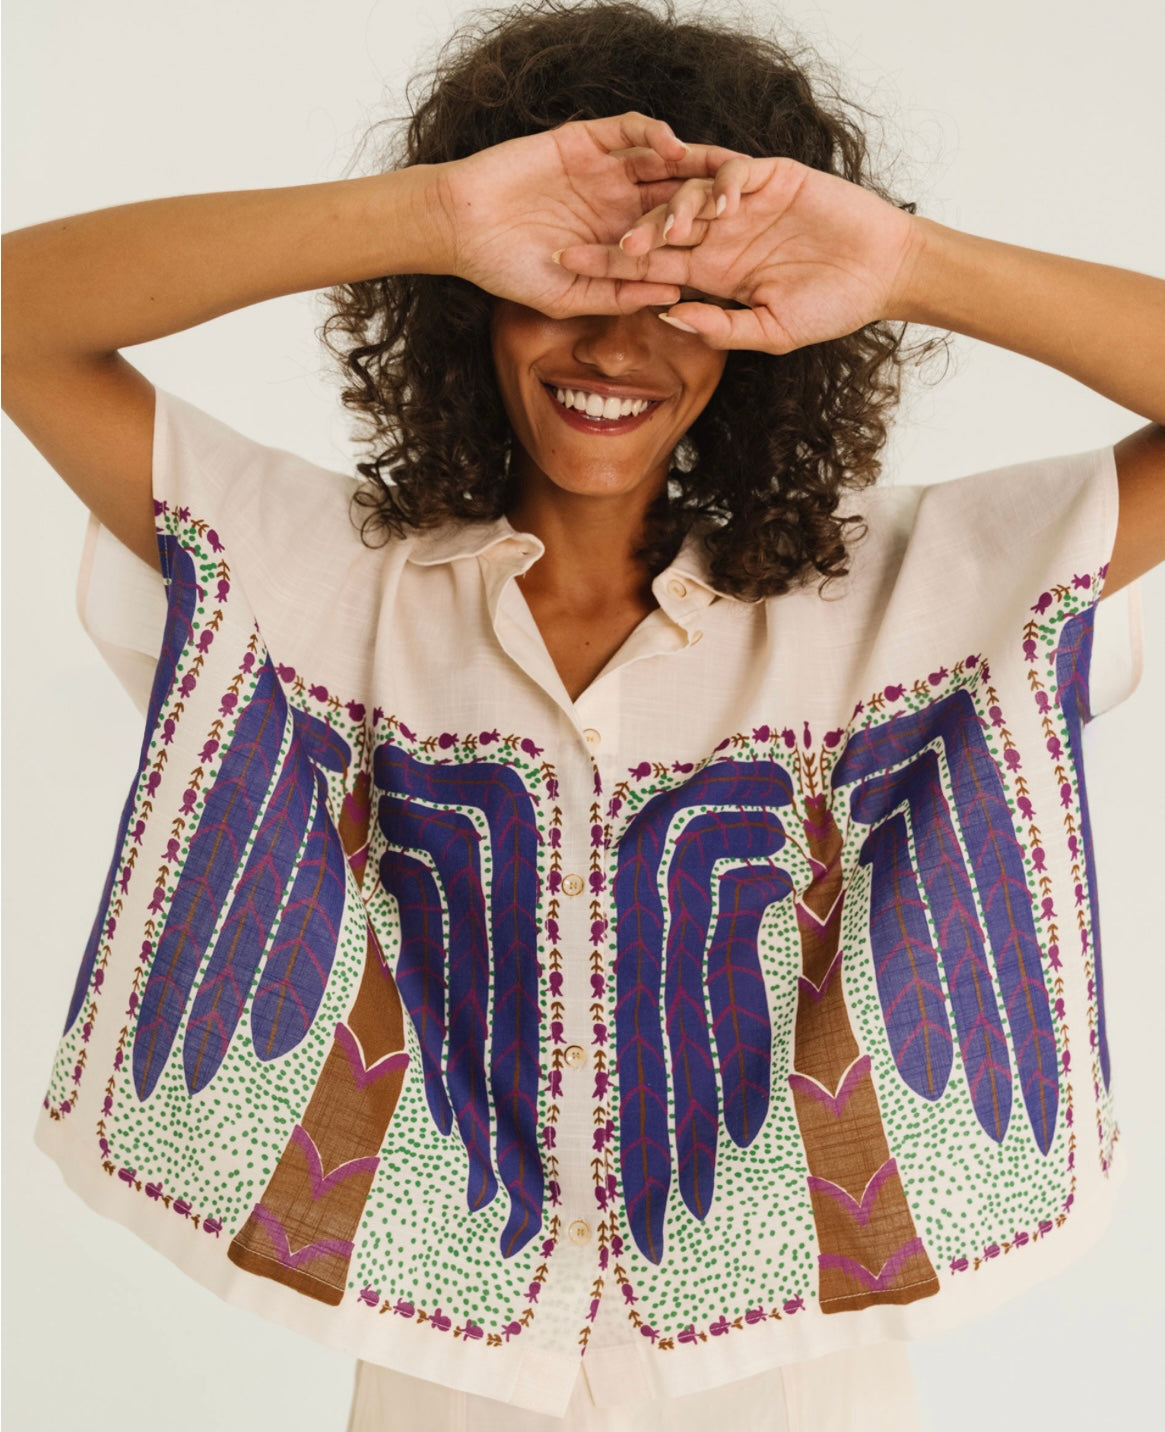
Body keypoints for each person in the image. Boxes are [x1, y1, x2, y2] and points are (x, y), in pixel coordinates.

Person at [4, 1, 1162, 1428]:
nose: (615, 350)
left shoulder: (908, 594)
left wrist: (905, 264)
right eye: (566, 279)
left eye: (678, 296)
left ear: (759, 330)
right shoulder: (318, 580)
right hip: (442, 1377)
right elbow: (18, 315)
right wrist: (437, 214)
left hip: (794, 1376)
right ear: (472, 298)